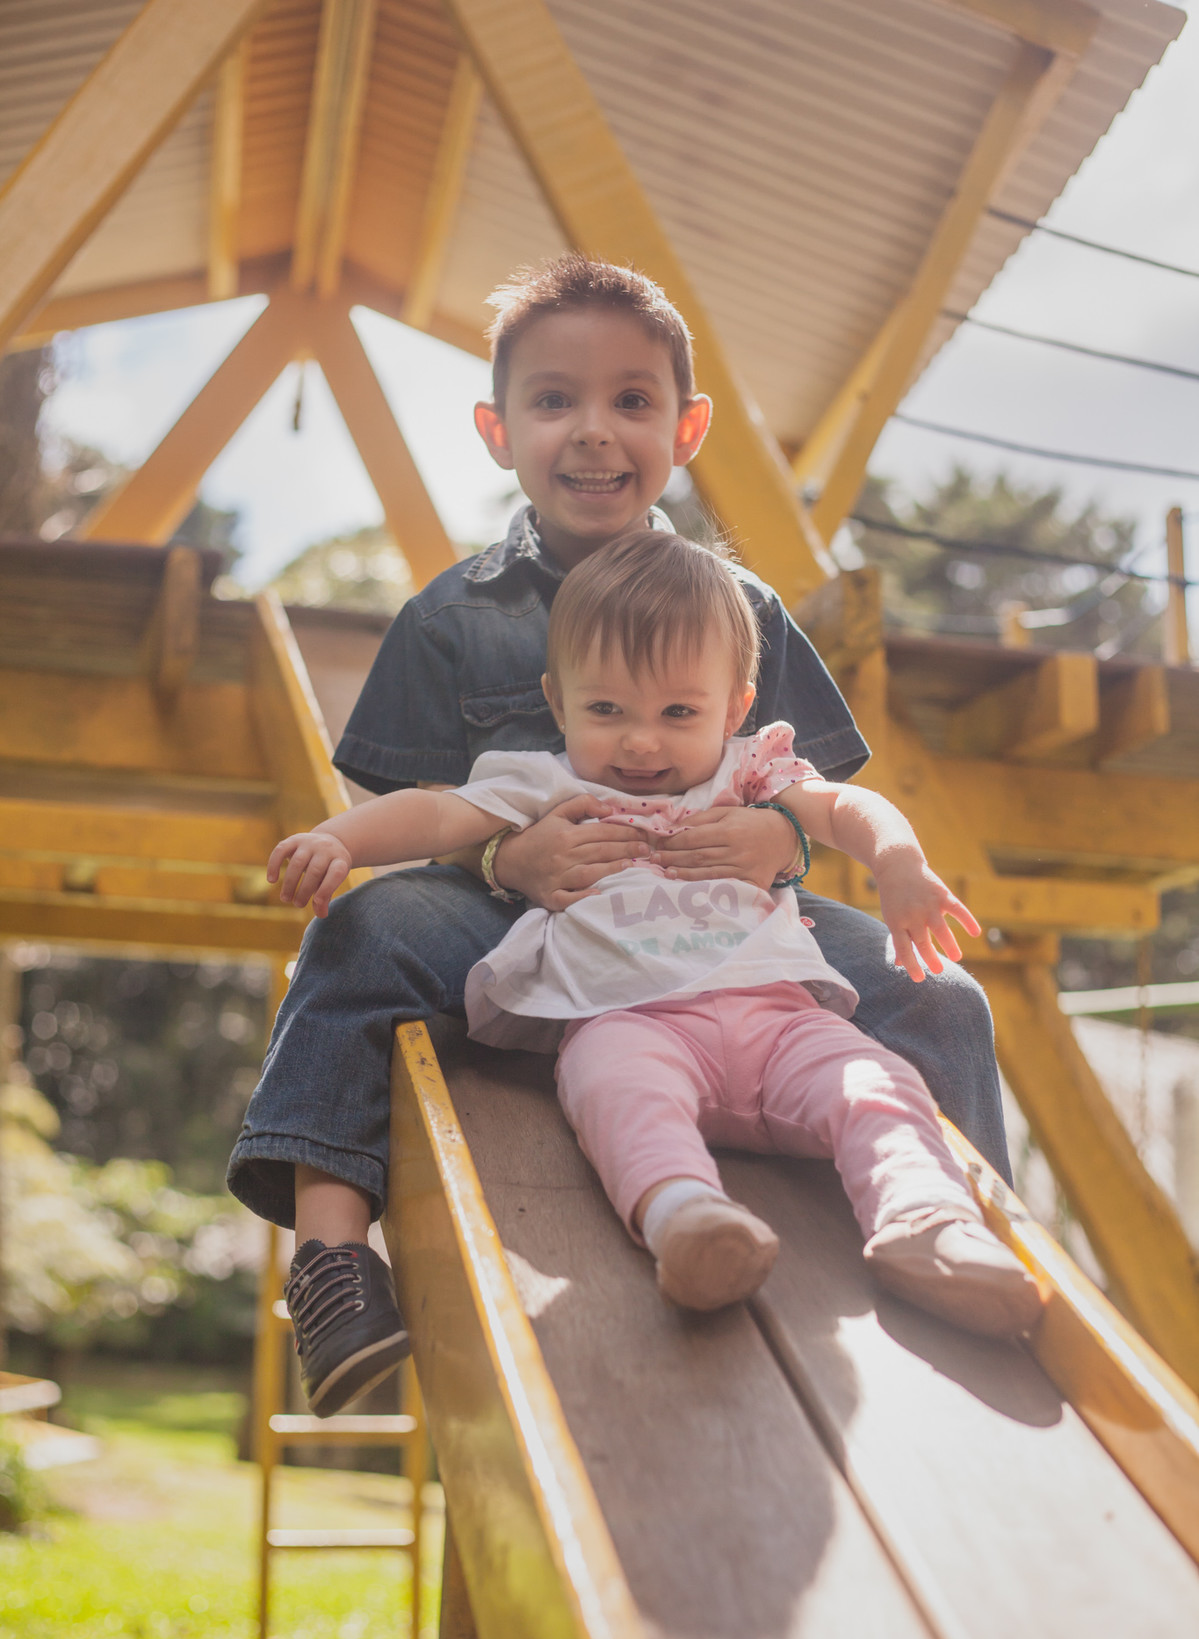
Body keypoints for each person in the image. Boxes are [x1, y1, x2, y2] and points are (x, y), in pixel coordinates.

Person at [228, 253, 1011, 1417]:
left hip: (729, 920)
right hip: (518, 918)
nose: (593, 432)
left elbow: (807, 794)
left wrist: (781, 848)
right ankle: (336, 1262)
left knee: (940, 996)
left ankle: (957, 1225)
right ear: (499, 429)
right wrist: (503, 859)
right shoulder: (451, 619)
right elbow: (435, 820)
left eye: (631, 400)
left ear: (685, 428)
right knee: (365, 928)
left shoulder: (741, 608)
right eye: (555, 400)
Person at [270, 532, 1041, 1392]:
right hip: (629, 1024)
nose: (641, 744)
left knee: (877, 1088)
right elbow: (435, 814)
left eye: (679, 714)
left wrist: (897, 860)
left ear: (734, 706)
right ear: (557, 704)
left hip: (781, 1020)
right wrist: (338, 839)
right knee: (615, 1094)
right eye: (608, 712)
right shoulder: (544, 779)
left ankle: (929, 1224)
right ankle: (687, 1221)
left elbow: (842, 804)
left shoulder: (750, 770)